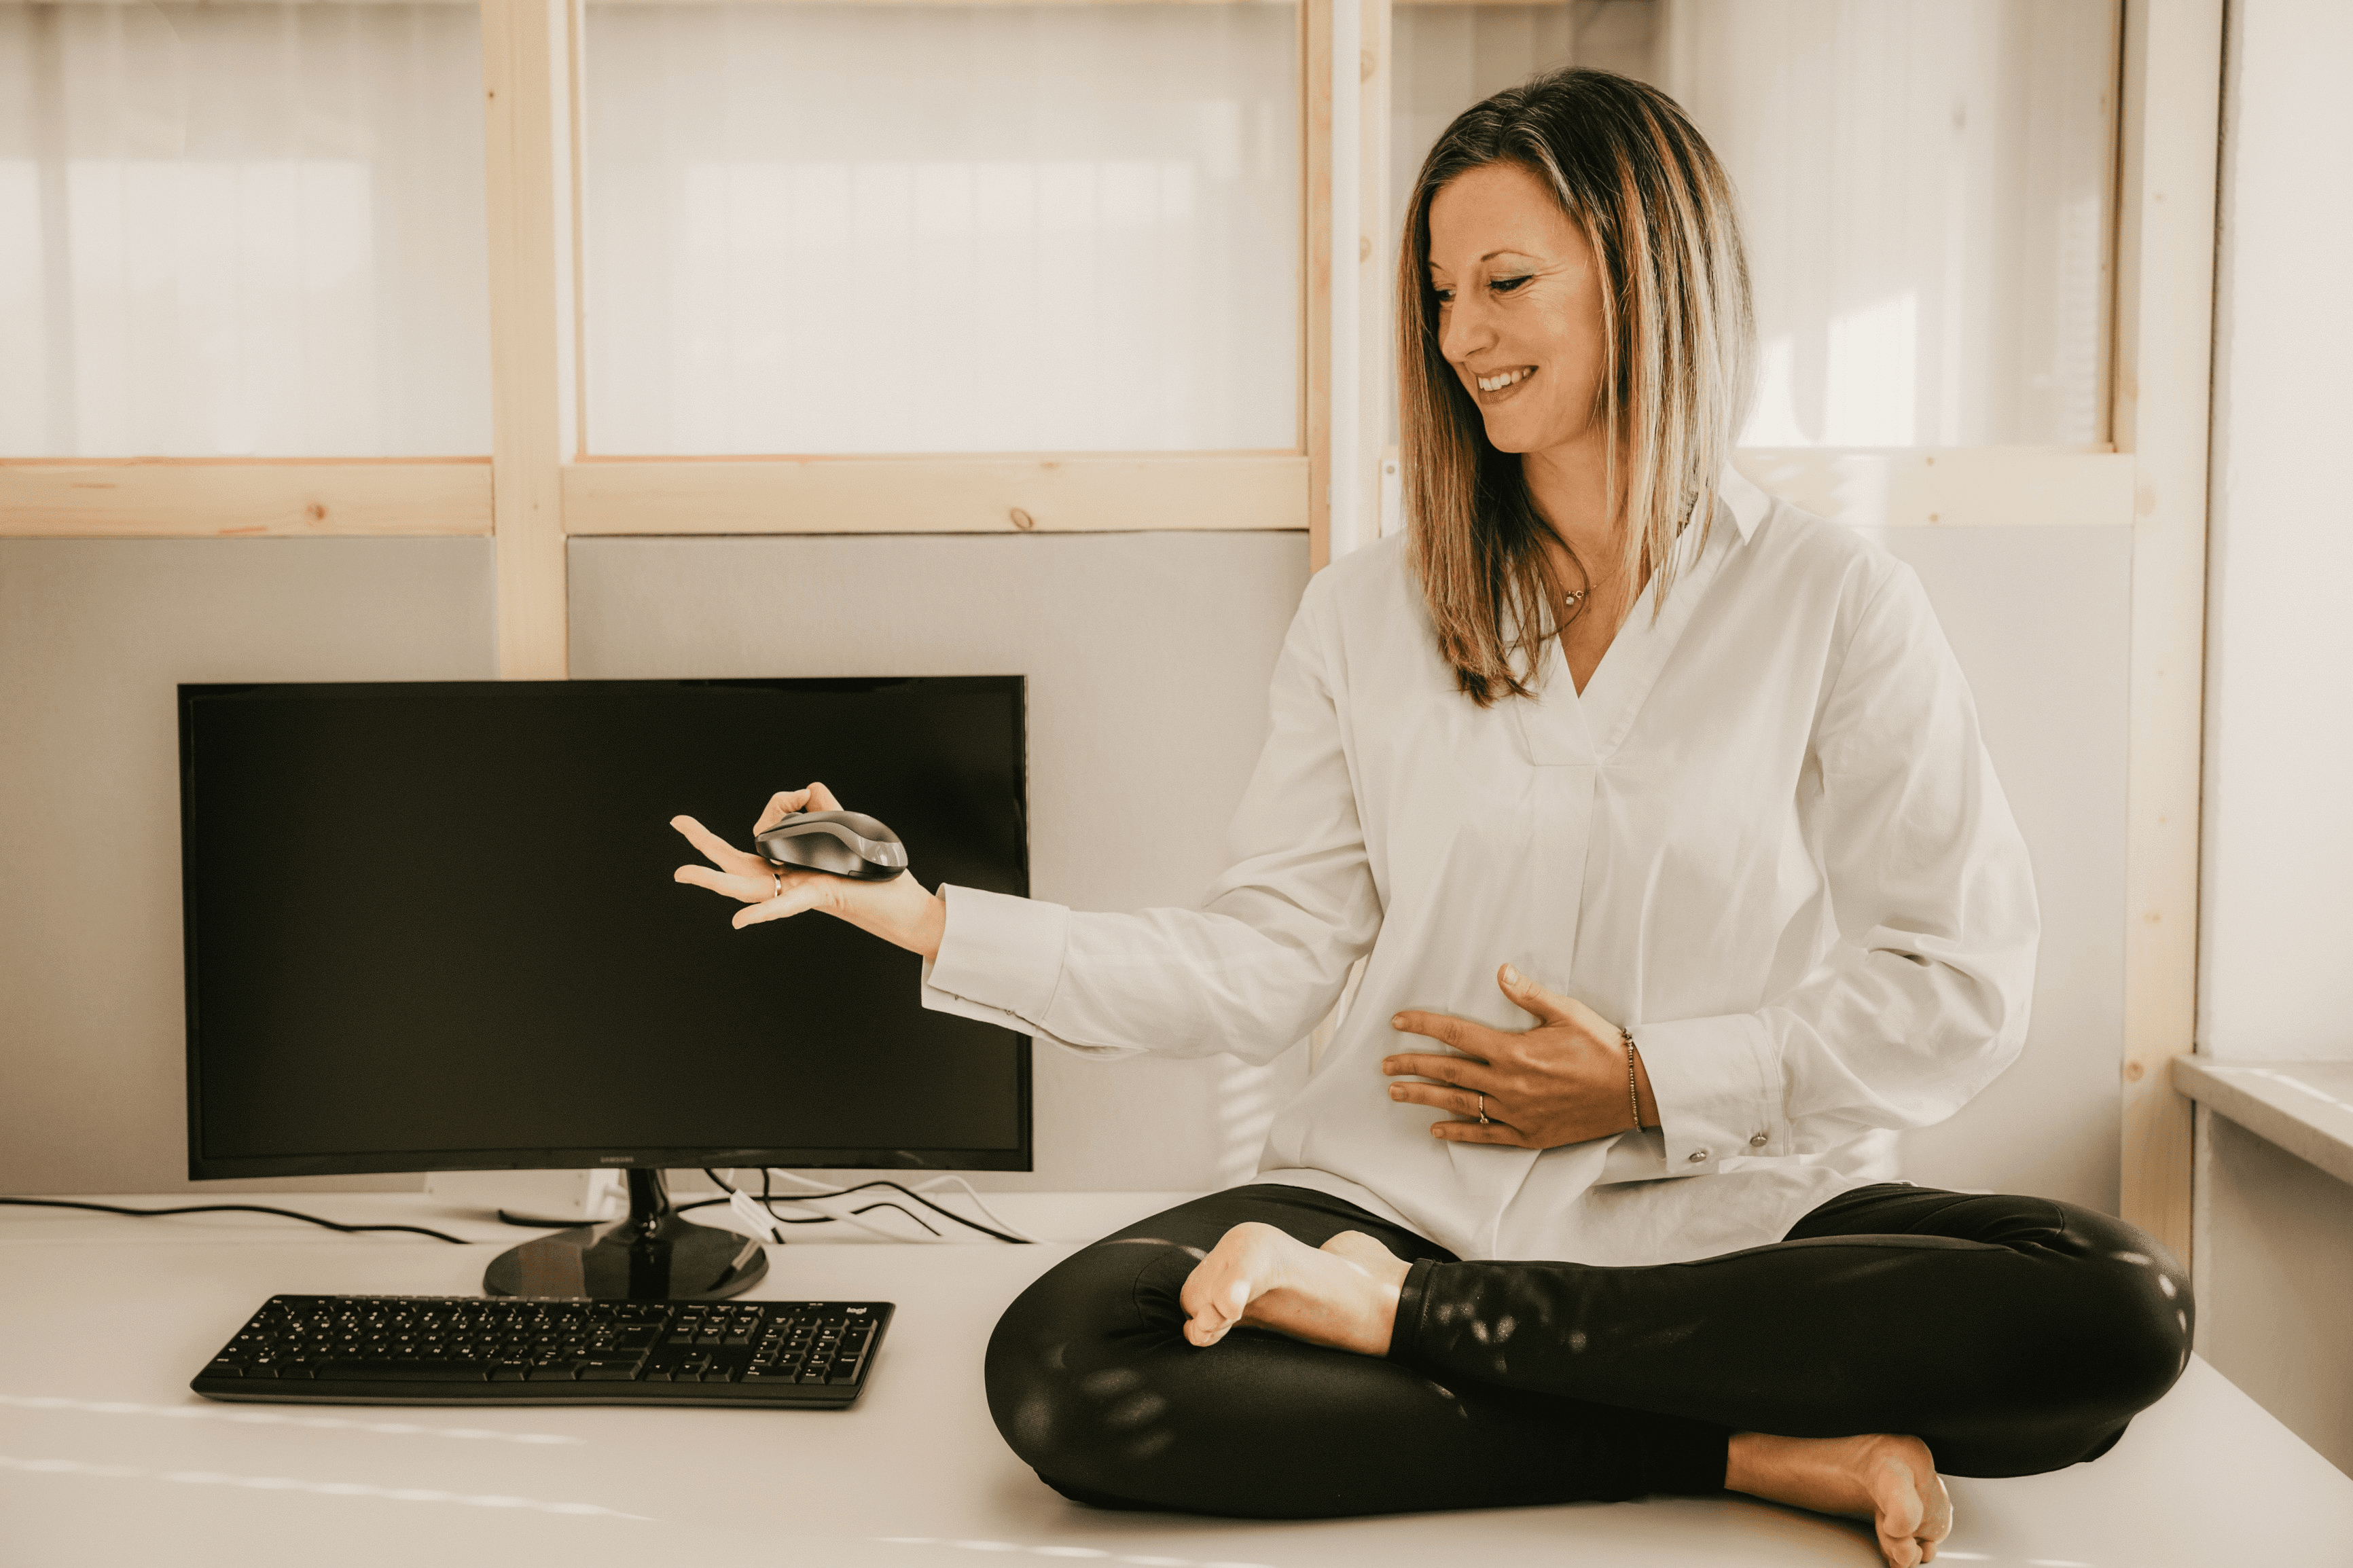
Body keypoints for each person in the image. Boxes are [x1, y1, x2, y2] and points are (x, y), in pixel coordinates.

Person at [672, 67, 2188, 1568]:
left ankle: (1403, 1330)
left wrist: (1651, 1080)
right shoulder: (1365, 616)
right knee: (1070, 1366)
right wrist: (933, 918)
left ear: (1647, 276)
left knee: (2111, 1305)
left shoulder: (1833, 601)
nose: (1460, 334)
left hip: (1717, 1227)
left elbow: (1961, 978)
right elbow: (1265, 960)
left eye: (1506, 280)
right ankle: (1722, 1441)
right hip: (1397, 1195)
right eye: (1439, 292)